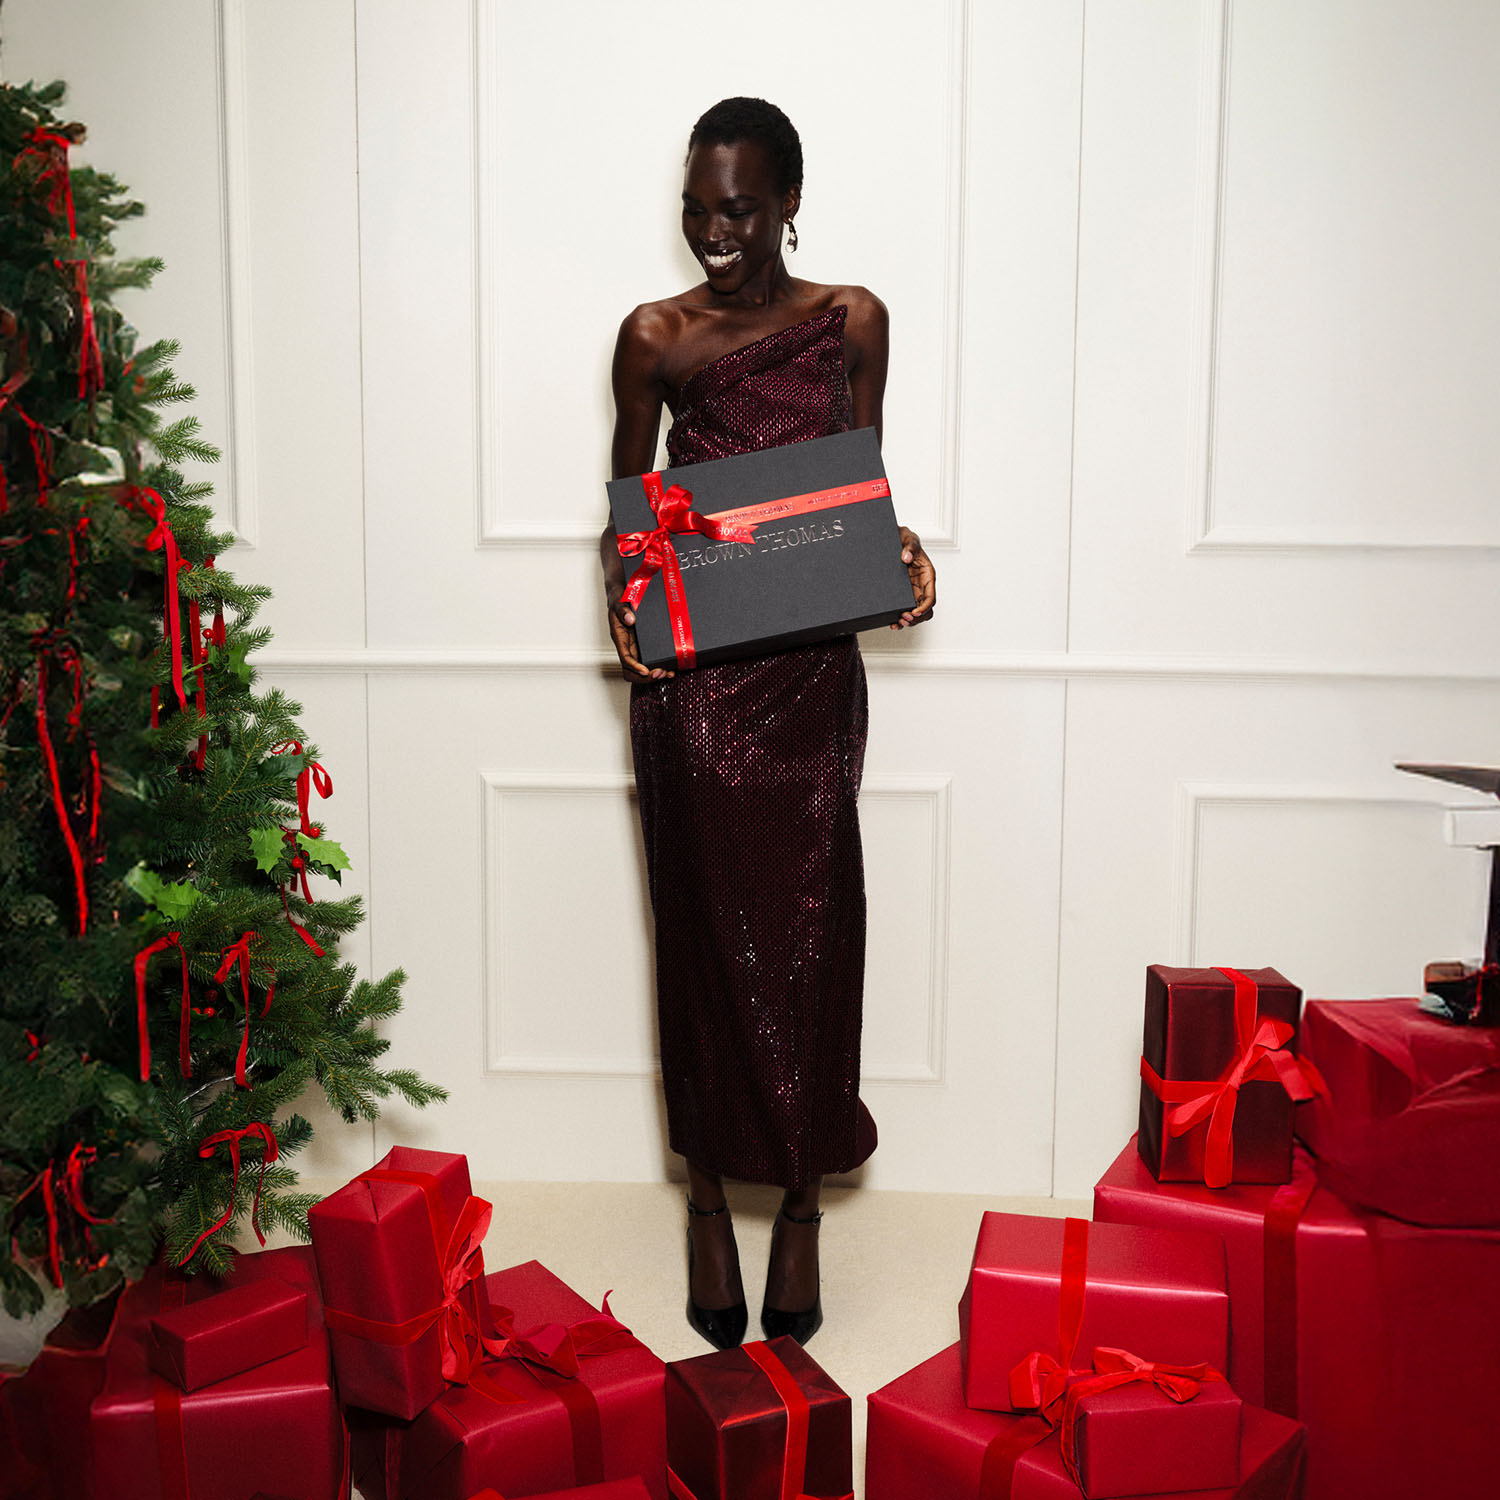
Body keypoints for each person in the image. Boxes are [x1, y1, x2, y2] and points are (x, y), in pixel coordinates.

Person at [600, 97, 936, 1349]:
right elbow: (630, 515)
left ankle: (797, 1204)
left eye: (737, 207)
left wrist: (897, 555)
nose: (713, 233)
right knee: (694, 932)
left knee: (811, 933)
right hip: (694, 690)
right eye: (696, 208)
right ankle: (702, 1196)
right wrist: (623, 603)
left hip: (809, 679)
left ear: (790, 199)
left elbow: (856, 493)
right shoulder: (655, 336)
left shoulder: (851, 322)